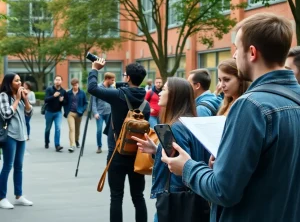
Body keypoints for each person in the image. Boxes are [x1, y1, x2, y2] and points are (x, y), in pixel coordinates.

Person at [161, 13, 300, 222]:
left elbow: (223, 191)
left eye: (237, 48)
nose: (234, 56)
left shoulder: (251, 105)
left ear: (252, 52)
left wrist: (187, 167)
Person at [132, 77, 210, 222]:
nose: (160, 93)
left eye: (165, 89)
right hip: (190, 197)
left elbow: (179, 167)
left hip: (175, 199)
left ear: (175, 95)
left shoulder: (176, 128)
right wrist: (157, 150)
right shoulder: (189, 122)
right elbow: (180, 157)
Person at [88, 59, 150, 222]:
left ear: (128, 78)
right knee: (138, 197)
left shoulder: (118, 96)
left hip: (117, 153)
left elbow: (92, 88)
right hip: (137, 156)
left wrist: (94, 69)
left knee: (116, 197)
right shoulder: (146, 103)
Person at [0, 73, 33, 209]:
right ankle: (1, 197)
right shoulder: (3, 96)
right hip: (10, 136)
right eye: (16, 80)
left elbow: (29, 113)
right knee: (7, 166)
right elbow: (6, 114)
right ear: (9, 82)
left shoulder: (19, 96)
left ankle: (18, 196)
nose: (20, 83)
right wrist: (16, 99)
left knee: (19, 167)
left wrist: (24, 100)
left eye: (20, 80)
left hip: (21, 135)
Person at [91, 72, 115, 154]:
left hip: (109, 112)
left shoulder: (112, 88)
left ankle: (110, 146)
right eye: (112, 80)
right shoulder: (97, 87)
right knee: (99, 130)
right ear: (107, 79)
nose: (113, 82)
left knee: (110, 131)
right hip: (100, 113)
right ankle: (99, 146)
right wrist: (95, 112)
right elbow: (93, 101)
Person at [64, 78, 88, 153]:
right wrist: (66, 111)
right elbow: (65, 103)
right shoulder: (68, 93)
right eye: (74, 85)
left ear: (78, 84)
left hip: (79, 113)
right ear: (72, 85)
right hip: (70, 113)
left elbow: (86, 103)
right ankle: (72, 145)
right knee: (72, 129)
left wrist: (82, 110)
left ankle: (76, 140)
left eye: (76, 85)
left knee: (77, 129)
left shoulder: (82, 93)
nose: (75, 86)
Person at [44, 75, 67, 152]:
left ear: (61, 81)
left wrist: (62, 101)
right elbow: (46, 100)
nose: (57, 81)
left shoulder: (63, 91)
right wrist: (53, 96)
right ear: (54, 81)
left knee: (58, 128)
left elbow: (65, 103)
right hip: (49, 112)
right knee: (48, 129)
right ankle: (46, 142)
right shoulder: (49, 89)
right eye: (56, 80)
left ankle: (57, 145)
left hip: (58, 112)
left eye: (59, 80)